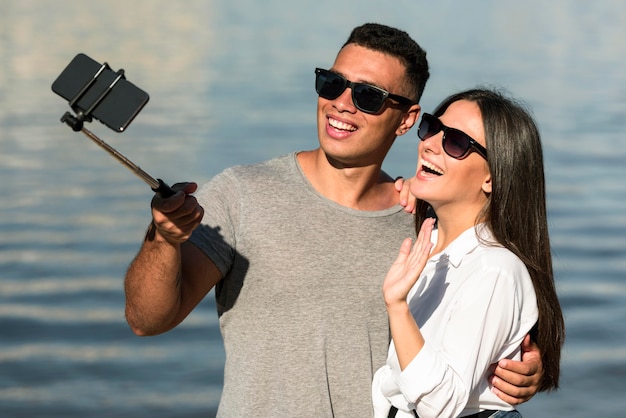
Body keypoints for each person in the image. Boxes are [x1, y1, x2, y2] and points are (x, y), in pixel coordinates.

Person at [124, 23, 544, 417]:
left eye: (368, 96)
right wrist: (163, 239)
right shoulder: (242, 193)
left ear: (406, 120)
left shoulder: (424, 222)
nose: (342, 102)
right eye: (332, 83)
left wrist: (512, 371)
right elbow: (147, 320)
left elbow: (475, 331)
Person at [372, 88, 565, 418]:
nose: (430, 143)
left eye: (456, 142)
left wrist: (397, 307)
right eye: (432, 127)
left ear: (492, 176)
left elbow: (441, 404)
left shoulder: (494, 270)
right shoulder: (429, 245)